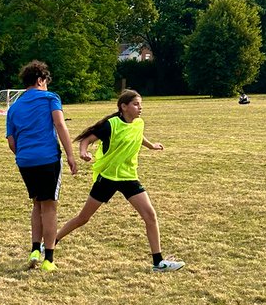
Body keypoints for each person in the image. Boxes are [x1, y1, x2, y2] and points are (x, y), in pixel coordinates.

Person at [55, 89, 183, 272]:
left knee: (150, 216)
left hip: (129, 177)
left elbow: (138, 136)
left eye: (141, 104)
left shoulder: (139, 123)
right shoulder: (111, 124)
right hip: (107, 178)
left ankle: (158, 262)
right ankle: (52, 242)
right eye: (136, 104)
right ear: (124, 106)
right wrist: (83, 152)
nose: (140, 108)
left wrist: (151, 145)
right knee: (83, 218)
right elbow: (87, 139)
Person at [5, 60, 77, 273]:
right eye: (45, 81)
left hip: (25, 161)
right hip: (48, 159)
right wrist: (71, 155)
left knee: (37, 203)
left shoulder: (14, 107)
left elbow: (11, 141)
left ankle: (35, 249)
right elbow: (60, 125)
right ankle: (49, 259)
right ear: (40, 80)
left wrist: (25, 155)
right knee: (50, 207)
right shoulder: (50, 98)